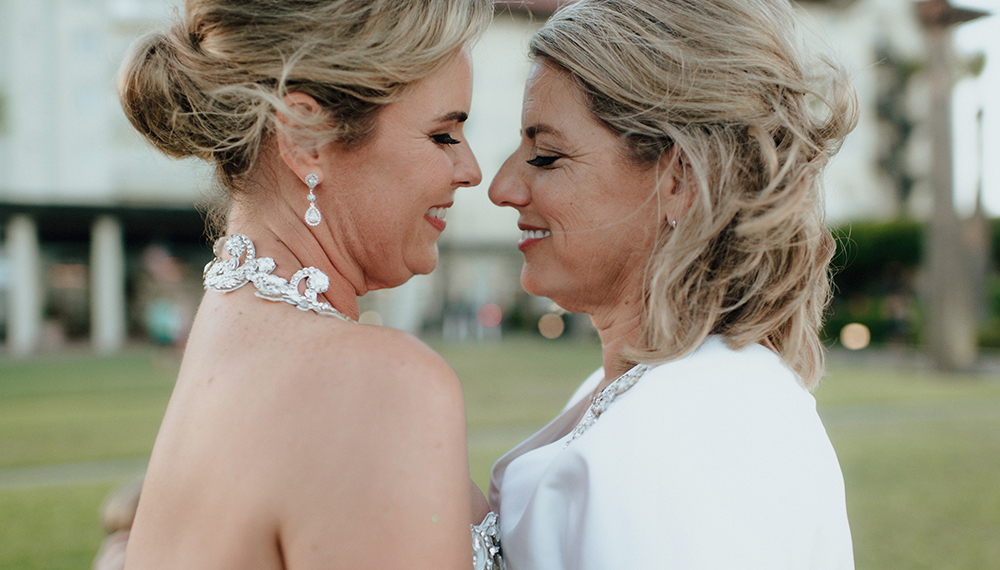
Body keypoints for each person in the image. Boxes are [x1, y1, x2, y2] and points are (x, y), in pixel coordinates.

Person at [115, 1, 499, 568]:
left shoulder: (225, 339)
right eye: (443, 135)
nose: (472, 170)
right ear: (306, 137)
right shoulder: (380, 385)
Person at [487, 0, 858, 568]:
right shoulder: (642, 388)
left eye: (545, 155)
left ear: (680, 180)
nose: (503, 187)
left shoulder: (691, 434)